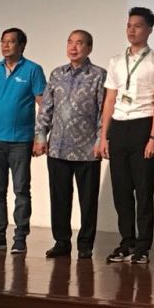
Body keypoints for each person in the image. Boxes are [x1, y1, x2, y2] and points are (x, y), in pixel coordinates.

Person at [99, 7, 154, 264]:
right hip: (119, 126)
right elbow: (109, 99)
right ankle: (126, 241)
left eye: (138, 25)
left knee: (143, 190)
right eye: (129, 25)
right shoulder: (116, 61)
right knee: (121, 190)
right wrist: (104, 135)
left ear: (149, 29)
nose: (131, 30)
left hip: (143, 125)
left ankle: (143, 246)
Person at [34, 30, 106, 260]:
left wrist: (100, 140)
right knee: (59, 198)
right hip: (58, 148)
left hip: (87, 150)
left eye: (80, 43)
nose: (74, 47)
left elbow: (104, 111)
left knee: (88, 201)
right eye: (70, 42)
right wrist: (40, 137)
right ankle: (61, 241)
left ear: (89, 48)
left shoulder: (99, 75)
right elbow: (46, 108)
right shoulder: (56, 74)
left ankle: (85, 244)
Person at [0, 28, 47, 253]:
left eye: (11, 42)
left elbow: (43, 105)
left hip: (20, 141)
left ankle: (20, 238)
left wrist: (40, 137)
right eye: (3, 41)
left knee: (21, 190)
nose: (6, 45)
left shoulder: (33, 70)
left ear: (22, 45)